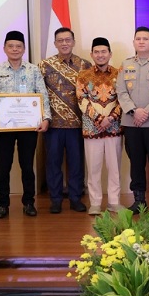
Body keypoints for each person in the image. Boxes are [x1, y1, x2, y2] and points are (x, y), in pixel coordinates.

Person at [0, 30, 51, 219]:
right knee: (4, 165)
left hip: (28, 126)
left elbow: (42, 95)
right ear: (4, 48)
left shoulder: (33, 70)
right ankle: (3, 204)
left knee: (27, 165)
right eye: (11, 46)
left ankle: (29, 202)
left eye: (18, 46)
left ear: (24, 49)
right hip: (4, 128)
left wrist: (46, 118)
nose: (15, 49)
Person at [39, 27, 91, 214]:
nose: (64, 43)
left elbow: (90, 93)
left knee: (76, 163)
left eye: (67, 40)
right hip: (53, 124)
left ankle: (76, 197)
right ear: (55, 44)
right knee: (53, 163)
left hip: (77, 123)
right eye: (60, 40)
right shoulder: (45, 65)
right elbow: (39, 94)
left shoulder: (84, 65)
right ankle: (55, 199)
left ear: (73, 42)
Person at [116, 26, 149, 207]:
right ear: (133, 42)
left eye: (145, 39)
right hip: (132, 123)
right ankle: (139, 201)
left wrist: (146, 112)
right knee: (136, 164)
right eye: (138, 39)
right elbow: (120, 91)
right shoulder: (126, 64)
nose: (141, 41)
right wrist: (134, 111)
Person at [77, 37, 123, 215]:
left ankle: (114, 201)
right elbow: (82, 99)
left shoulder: (119, 73)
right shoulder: (83, 75)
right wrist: (98, 118)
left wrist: (110, 118)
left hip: (114, 128)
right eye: (97, 52)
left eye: (104, 51)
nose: (100, 55)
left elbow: (123, 99)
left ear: (110, 54)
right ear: (91, 54)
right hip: (92, 128)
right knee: (93, 167)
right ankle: (95, 203)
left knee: (114, 168)